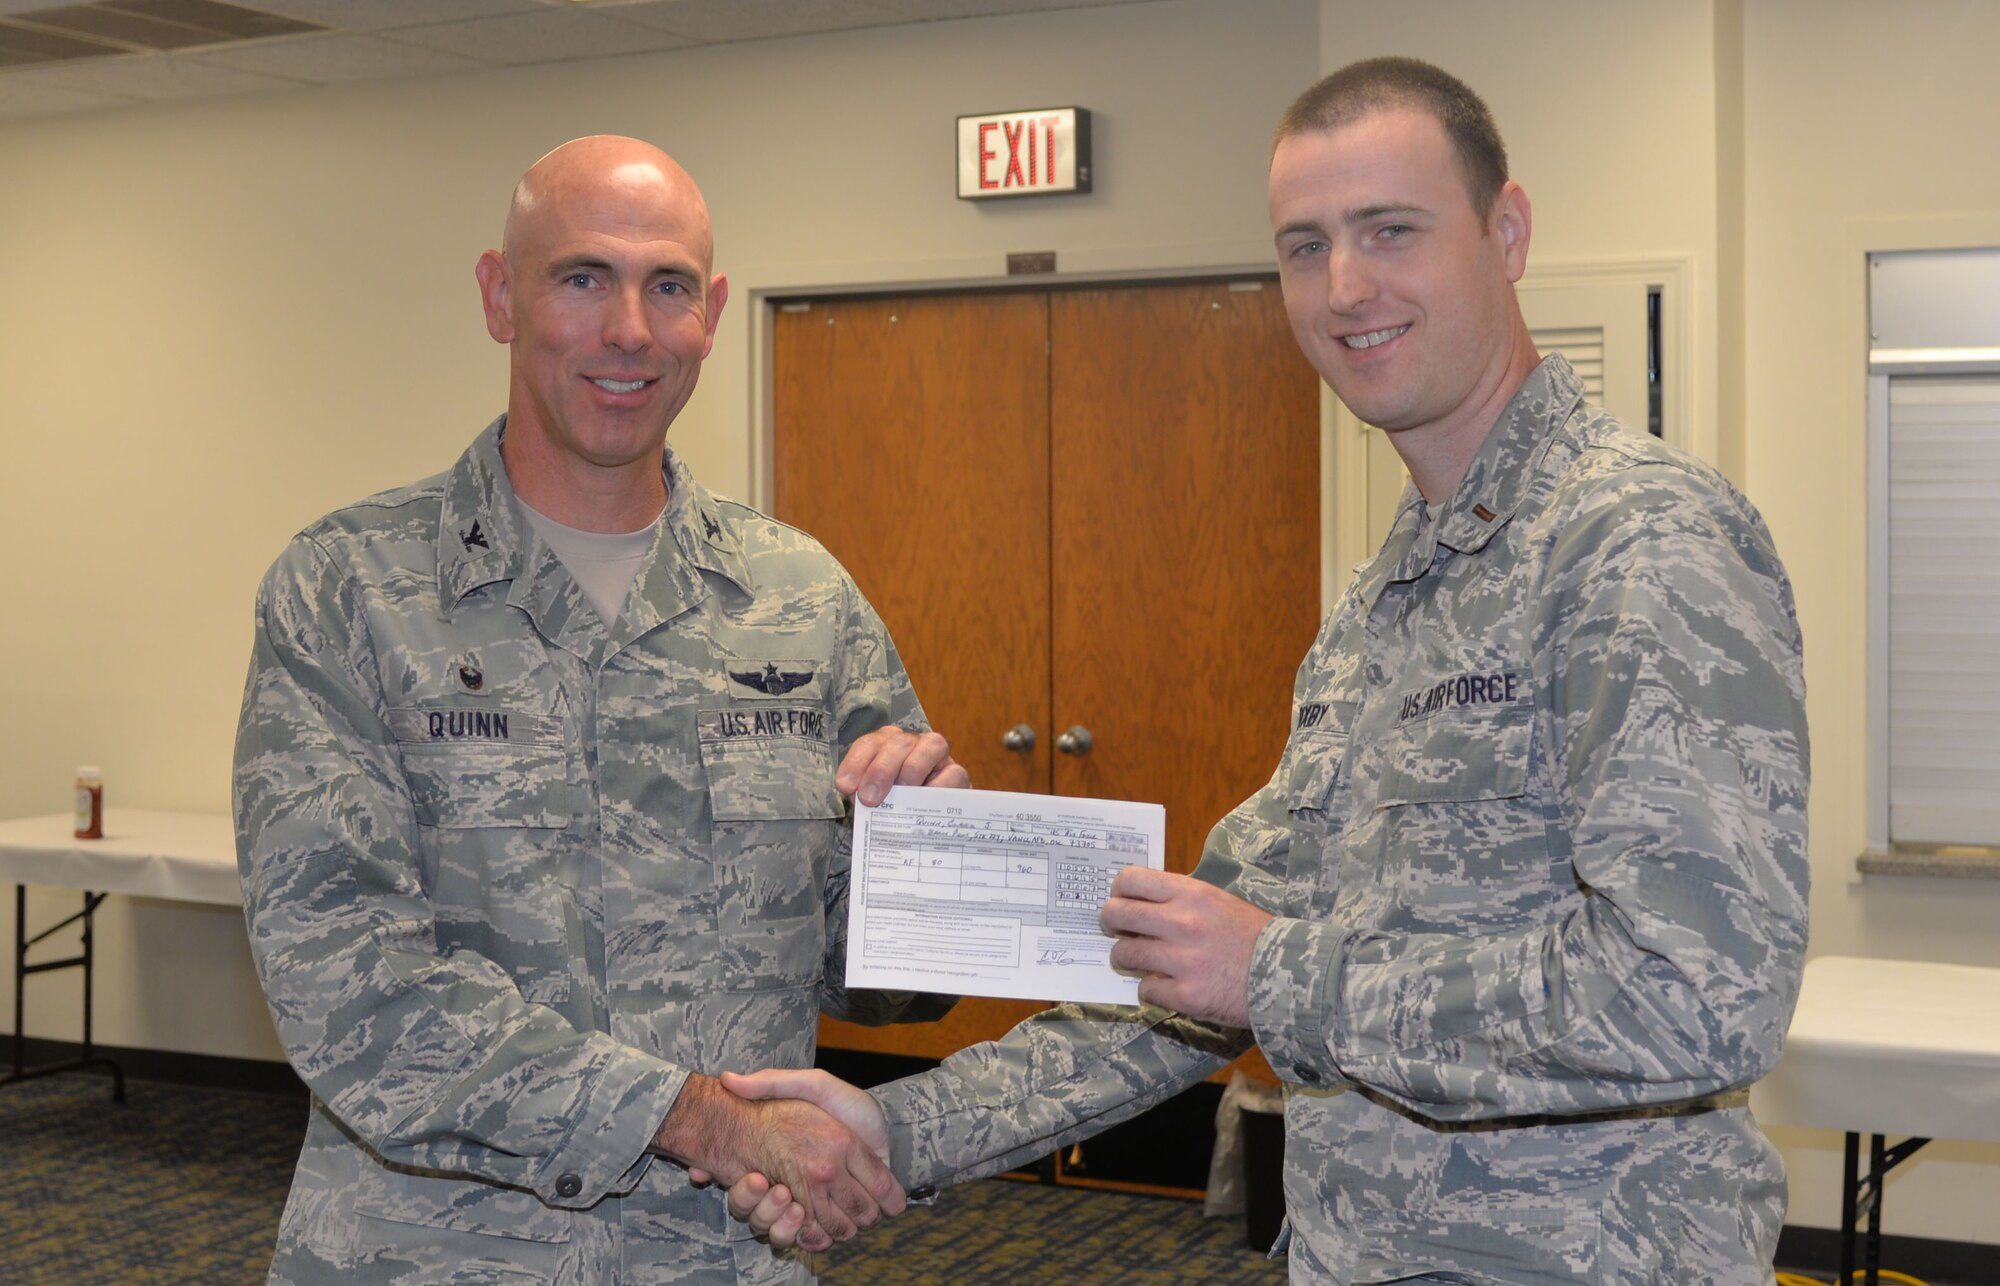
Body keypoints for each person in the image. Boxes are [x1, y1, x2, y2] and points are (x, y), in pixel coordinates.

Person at [720, 57, 1811, 1284]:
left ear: (1504, 232)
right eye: (1303, 246)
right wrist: (898, 1122)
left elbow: (1696, 994)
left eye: (1389, 230)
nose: (1345, 287)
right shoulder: (1386, 601)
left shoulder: (1636, 539)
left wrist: (1275, 969)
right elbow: (1189, 969)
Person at [232, 135, 965, 1285]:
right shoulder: (351, 590)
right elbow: (350, 989)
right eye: (582, 277)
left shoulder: (800, 598)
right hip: (431, 1256)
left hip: (726, 1259)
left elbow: (880, 981)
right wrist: (706, 1120)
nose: (629, 327)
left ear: (711, 313)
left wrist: (925, 857)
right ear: (499, 295)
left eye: (667, 285)